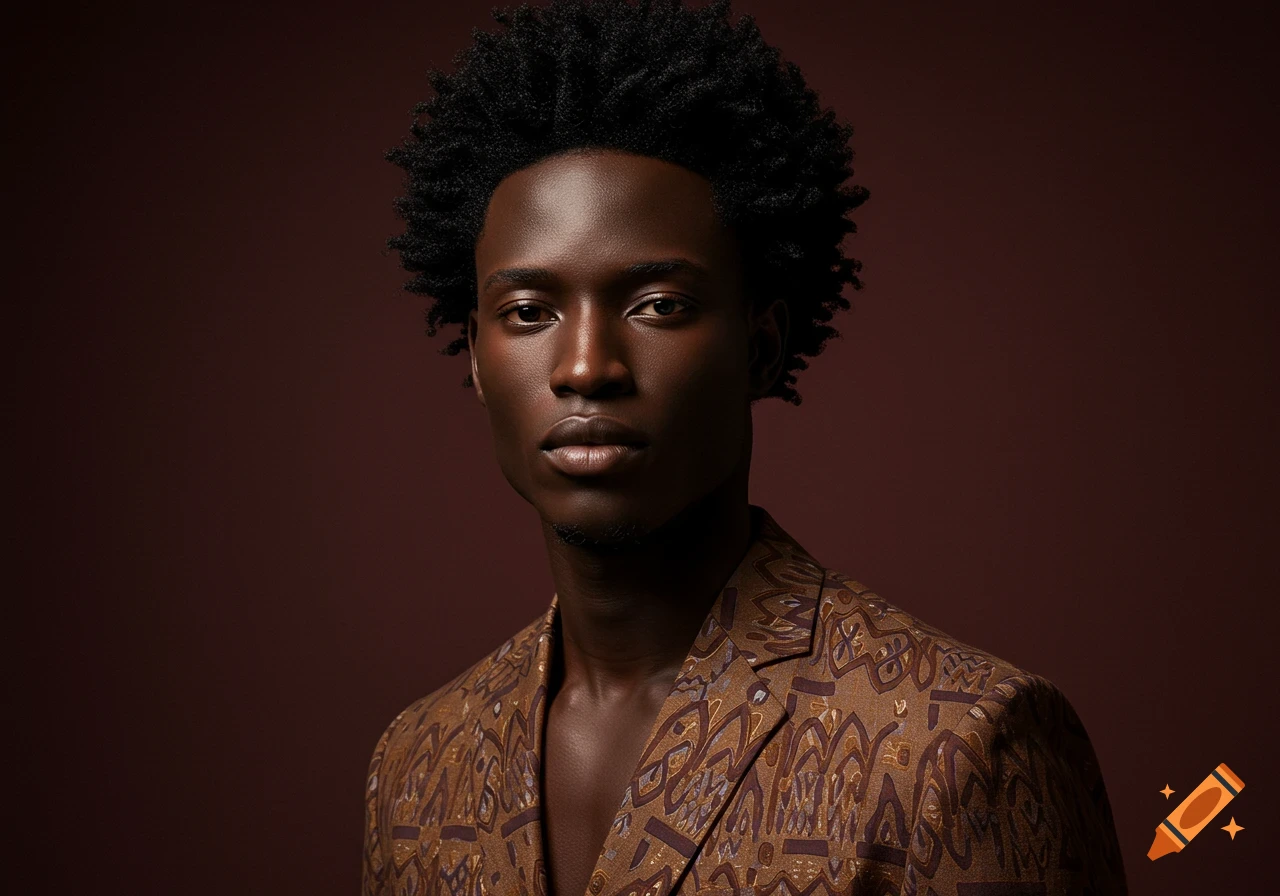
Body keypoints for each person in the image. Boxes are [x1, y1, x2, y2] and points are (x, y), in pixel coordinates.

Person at [363, 2, 1127, 894]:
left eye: (658, 305)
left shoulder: (955, 743)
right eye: (529, 313)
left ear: (761, 347)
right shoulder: (417, 764)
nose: (584, 367)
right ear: (479, 358)